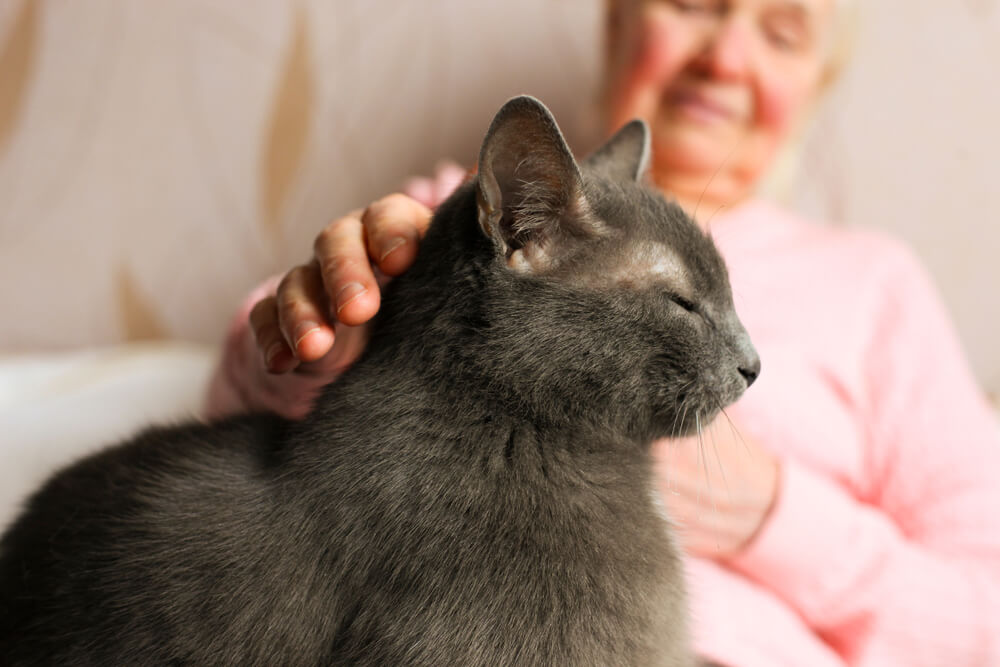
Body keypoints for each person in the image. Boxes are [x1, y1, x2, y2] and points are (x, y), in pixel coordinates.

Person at [205, 1, 1000, 665]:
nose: (725, 56)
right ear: (619, 24)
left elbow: (984, 613)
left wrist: (774, 517)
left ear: (816, 85)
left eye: (782, 32)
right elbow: (244, 415)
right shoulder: (469, 207)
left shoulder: (871, 281)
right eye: (693, 4)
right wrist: (332, 339)